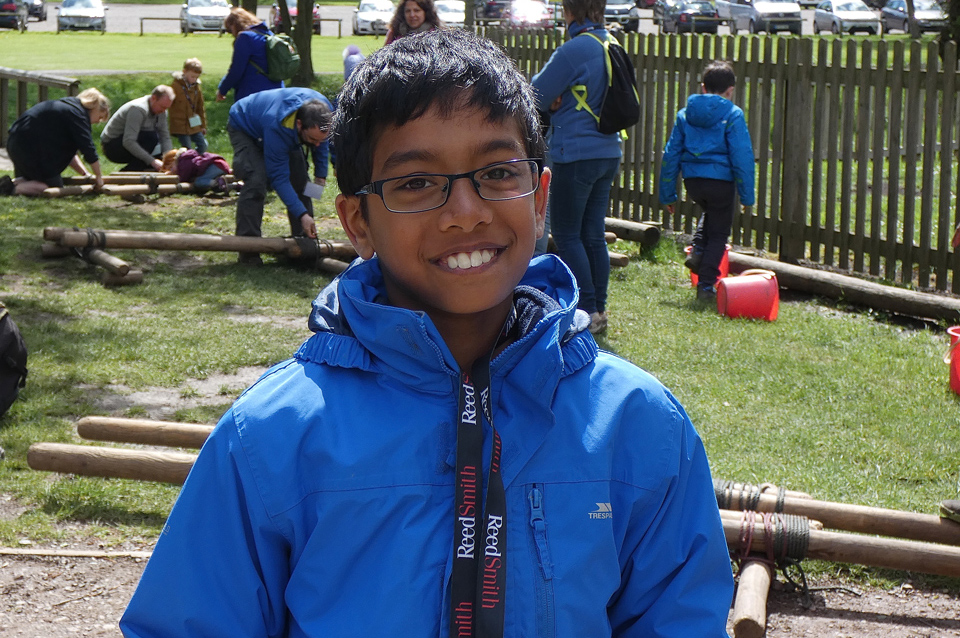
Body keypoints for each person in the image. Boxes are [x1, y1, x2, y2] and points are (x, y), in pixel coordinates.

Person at [119, 28, 733, 638]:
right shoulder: (274, 436)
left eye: (497, 172)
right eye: (415, 182)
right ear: (359, 222)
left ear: (540, 196)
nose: (465, 211)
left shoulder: (638, 424)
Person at [531, 0, 623, 335]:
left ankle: (586, 307)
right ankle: (599, 307)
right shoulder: (611, 43)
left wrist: (557, 99)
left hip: (575, 152)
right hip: (608, 150)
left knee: (568, 234)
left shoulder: (574, 49)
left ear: (571, 12)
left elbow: (536, 95)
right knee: (593, 234)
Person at [659, 60, 755, 302]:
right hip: (721, 182)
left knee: (710, 215)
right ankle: (705, 286)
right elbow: (742, 157)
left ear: (703, 86)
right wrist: (747, 196)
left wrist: (668, 194)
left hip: (693, 182)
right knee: (719, 233)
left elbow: (670, 154)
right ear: (730, 90)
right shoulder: (733, 114)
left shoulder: (684, 114)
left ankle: (698, 251)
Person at [227, 87, 331, 264]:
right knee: (257, 180)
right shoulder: (277, 125)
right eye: (313, 140)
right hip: (245, 126)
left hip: (280, 129)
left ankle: (304, 243)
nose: (317, 144)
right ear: (299, 125)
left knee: (301, 180)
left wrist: (320, 176)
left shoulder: (325, 112)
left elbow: (322, 143)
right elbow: (279, 178)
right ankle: (249, 249)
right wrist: (302, 214)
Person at [0, 88, 110, 197]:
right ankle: (9, 189)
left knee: (35, 180)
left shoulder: (69, 108)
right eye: (100, 117)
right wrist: (99, 177)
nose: (97, 122)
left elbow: (70, 153)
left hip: (16, 142)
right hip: (30, 149)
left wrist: (85, 174)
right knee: (52, 187)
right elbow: (89, 150)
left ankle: (9, 183)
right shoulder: (78, 116)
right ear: (95, 108)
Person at [100, 85, 175, 172]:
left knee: (159, 152)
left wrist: (168, 160)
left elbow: (165, 137)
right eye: (162, 107)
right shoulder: (137, 110)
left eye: (166, 108)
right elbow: (128, 141)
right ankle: (126, 174)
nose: (164, 111)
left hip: (133, 142)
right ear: (154, 98)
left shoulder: (162, 112)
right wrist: (152, 161)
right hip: (112, 146)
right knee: (151, 138)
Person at [216, 7, 283, 104]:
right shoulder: (269, 34)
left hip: (253, 93)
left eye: (230, 30)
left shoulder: (245, 38)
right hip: (277, 91)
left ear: (234, 25)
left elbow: (236, 70)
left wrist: (222, 90)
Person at [168, 57, 208, 154]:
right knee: (187, 149)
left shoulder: (196, 88)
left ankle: (196, 161)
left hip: (194, 124)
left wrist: (203, 125)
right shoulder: (175, 86)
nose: (194, 79)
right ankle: (187, 163)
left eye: (196, 77)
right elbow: (168, 104)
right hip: (180, 125)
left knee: (203, 145)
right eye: (192, 77)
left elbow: (200, 107)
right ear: (184, 72)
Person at [160, 148, 231, 193]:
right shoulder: (187, 157)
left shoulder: (183, 162)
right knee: (213, 187)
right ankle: (233, 186)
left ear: (173, 160)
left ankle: (218, 182)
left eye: (171, 168)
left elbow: (183, 178)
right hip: (220, 165)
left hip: (215, 166)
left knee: (198, 182)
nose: (173, 171)